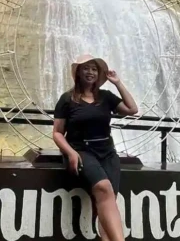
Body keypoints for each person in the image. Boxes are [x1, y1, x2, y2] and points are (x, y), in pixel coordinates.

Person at [53, 54, 139, 241]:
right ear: (78, 72)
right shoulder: (67, 99)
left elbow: (133, 109)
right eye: (86, 68)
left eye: (94, 68)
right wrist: (71, 153)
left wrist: (117, 82)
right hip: (81, 151)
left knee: (106, 202)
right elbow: (58, 133)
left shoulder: (106, 97)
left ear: (98, 73)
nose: (90, 72)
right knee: (104, 188)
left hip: (107, 152)